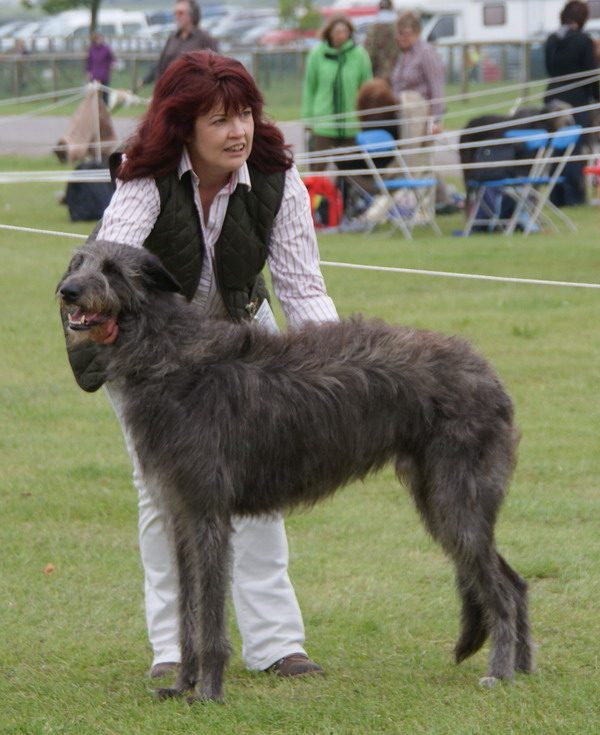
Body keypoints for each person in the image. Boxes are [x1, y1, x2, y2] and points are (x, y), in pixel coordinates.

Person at [69, 49, 338, 681]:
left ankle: (277, 645)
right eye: (219, 119)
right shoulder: (144, 178)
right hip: (153, 353)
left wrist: (335, 368)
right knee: (165, 496)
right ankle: (174, 650)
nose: (238, 131)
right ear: (183, 125)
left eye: (244, 114)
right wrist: (101, 328)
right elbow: (108, 262)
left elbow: (304, 290)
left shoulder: (279, 177)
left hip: (244, 341)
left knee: (258, 488)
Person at [544, 0, 599, 206]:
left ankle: (556, 194)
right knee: (574, 149)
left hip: (553, 99)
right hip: (577, 100)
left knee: (554, 149)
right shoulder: (584, 41)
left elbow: (549, 69)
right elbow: (591, 75)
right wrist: (596, 97)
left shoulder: (551, 39)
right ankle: (573, 196)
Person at [302, 13, 372, 171]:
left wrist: (367, 117)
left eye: (344, 31)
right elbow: (309, 88)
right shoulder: (316, 55)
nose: (341, 35)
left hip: (352, 125)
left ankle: (346, 196)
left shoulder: (359, 55)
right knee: (318, 169)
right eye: (337, 31)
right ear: (329, 32)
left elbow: (367, 89)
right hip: (323, 124)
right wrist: (308, 120)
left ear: (350, 32)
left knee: (352, 171)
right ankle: (314, 196)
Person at [139, 0, 218, 88]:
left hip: (195, 92)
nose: (177, 16)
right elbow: (161, 66)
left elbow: (216, 68)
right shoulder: (173, 38)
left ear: (192, 15)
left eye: (181, 13)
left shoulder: (204, 38)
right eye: (175, 13)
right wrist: (149, 81)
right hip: (171, 91)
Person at [390, 11, 445, 135]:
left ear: (417, 32)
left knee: (417, 153)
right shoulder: (403, 55)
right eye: (399, 34)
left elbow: (436, 86)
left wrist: (436, 120)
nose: (402, 38)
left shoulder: (426, 52)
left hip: (421, 116)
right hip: (403, 117)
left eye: (406, 34)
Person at [364, 0, 400, 84]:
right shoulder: (398, 28)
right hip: (397, 75)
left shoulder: (373, 28)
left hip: (377, 76)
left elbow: (369, 53)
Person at [85, 32, 115, 105]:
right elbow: (89, 61)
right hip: (95, 75)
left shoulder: (106, 49)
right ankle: (94, 108)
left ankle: (105, 108)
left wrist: (113, 63)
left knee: (104, 93)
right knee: (95, 93)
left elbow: (111, 58)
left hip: (104, 74)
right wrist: (88, 71)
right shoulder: (92, 50)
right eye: (98, 39)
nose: (100, 41)